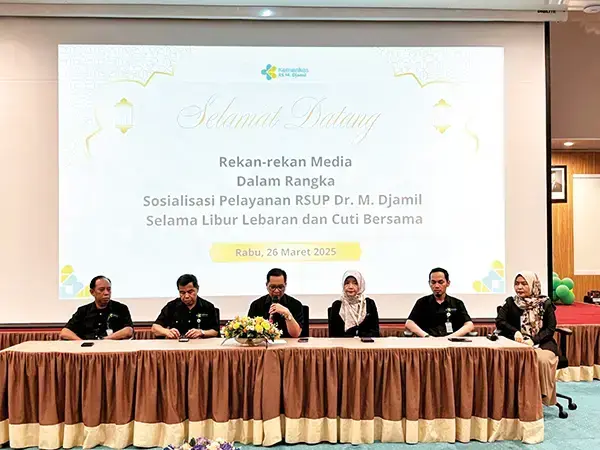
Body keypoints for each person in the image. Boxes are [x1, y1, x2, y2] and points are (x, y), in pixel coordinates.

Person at [496, 271, 559, 407]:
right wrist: (515, 332)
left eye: (524, 284)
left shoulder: (545, 303)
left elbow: (550, 328)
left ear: (533, 285)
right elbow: (500, 321)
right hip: (516, 343)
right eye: (517, 284)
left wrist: (534, 340)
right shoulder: (511, 302)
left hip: (542, 342)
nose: (519, 287)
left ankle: (539, 397)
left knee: (541, 360)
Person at [405, 267, 474, 337]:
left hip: (451, 341)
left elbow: (469, 325)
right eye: (433, 282)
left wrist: (450, 337)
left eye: (440, 282)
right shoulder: (422, 302)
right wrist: (426, 336)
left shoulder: (457, 303)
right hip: (428, 340)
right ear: (429, 283)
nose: (436, 286)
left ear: (448, 283)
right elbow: (409, 323)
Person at [60, 276, 134, 340]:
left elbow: (128, 330)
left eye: (109, 289)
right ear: (92, 292)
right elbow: (65, 332)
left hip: (112, 347)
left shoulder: (121, 308)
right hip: (87, 349)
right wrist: (81, 342)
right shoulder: (83, 311)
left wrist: (105, 340)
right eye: (101, 289)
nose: (106, 293)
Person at [151, 274, 219, 339]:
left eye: (190, 292)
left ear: (197, 289)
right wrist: (167, 332)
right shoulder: (171, 306)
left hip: (201, 344)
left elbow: (215, 331)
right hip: (176, 345)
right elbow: (155, 328)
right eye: (182, 292)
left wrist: (202, 332)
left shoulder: (208, 307)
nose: (186, 296)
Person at [247, 268, 303, 338]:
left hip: (288, 343)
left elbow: (296, 334)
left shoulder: (296, 304)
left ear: (285, 285)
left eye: (280, 287)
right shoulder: (256, 305)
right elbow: (249, 331)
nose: (276, 291)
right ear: (267, 285)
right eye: (273, 287)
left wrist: (287, 313)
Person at [329, 270, 380, 337]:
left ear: (360, 285)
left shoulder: (369, 303)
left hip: (365, 343)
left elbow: (375, 332)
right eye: (347, 283)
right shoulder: (337, 305)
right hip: (343, 343)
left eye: (355, 283)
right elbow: (334, 335)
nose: (350, 287)